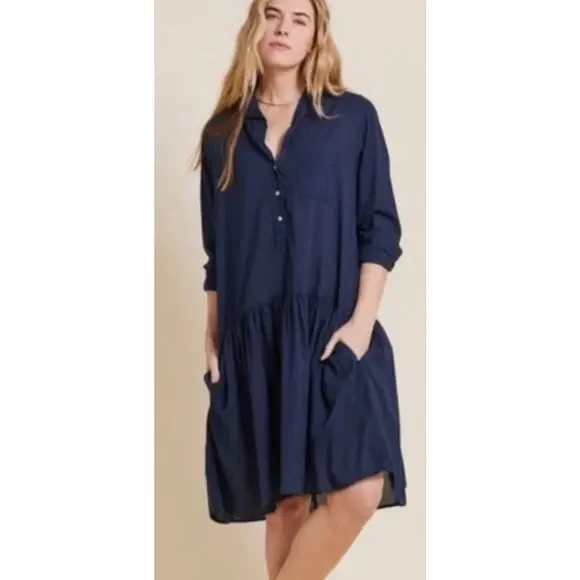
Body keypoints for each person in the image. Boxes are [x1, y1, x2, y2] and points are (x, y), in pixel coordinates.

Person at [192, 0, 407, 578]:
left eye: (299, 18)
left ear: (316, 36)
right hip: (255, 338)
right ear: (254, 26)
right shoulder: (222, 134)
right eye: (272, 13)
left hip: (336, 329)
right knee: (286, 504)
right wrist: (211, 336)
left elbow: (380, 229)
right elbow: (218, 253)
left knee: (358, 491)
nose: (284, 27)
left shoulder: (352, 118)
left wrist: (361, 326)